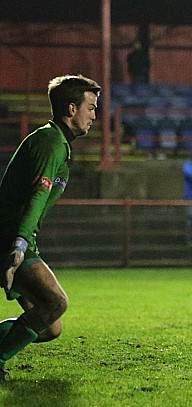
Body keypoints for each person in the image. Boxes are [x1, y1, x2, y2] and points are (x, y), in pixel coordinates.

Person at [0, 75, 100, 382]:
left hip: (19, 236)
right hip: (10, 237)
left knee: (50, 326)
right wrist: (18, 247)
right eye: (91, 108)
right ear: (72, 108)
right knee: (56, 302)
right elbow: (38, 195)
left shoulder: (56, 141)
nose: (94, 115)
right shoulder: (51, 142)